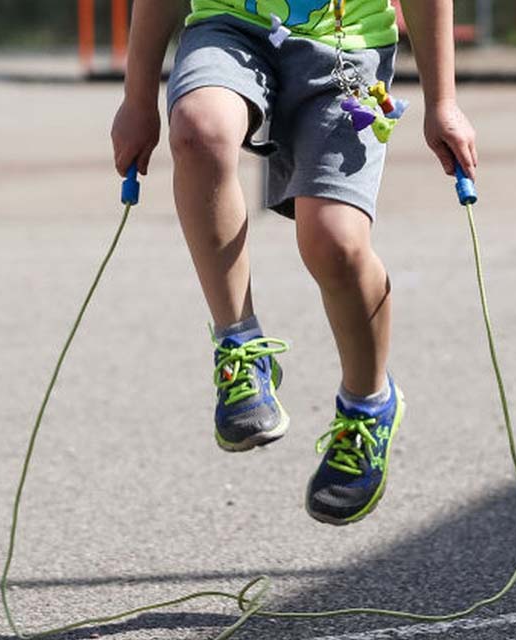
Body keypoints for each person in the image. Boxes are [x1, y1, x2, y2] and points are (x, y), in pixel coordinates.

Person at [111, 0, 477, 525]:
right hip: (230, 25)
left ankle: (368, 404)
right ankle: (239, 343)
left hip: (346, 48)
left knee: (334, 244)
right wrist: (136, 98)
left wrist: (444, 102)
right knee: (198, 128)